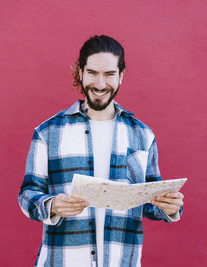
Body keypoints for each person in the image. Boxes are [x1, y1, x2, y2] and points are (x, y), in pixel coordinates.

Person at [18, 35, 184, 267]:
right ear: (80, 73)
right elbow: (27, 193)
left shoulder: (143, 135)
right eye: (93, 73)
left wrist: (169, 206)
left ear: (121, 76)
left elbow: (149, 201)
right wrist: (52, 205)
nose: (100, 84)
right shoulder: (47, 133)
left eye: (109, 74)